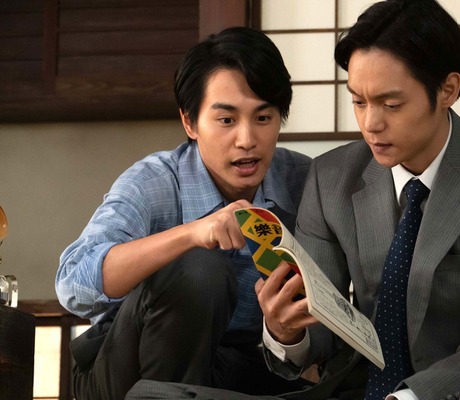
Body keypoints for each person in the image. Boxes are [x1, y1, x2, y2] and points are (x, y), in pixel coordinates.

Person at [126, 0, 460, 399]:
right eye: (358, 101)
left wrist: (409, 398)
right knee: (155, 396)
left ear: (448, 89)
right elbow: (325, 321)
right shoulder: (331, 177)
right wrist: (286, 331)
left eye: (391, 104)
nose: (370, 123)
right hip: (355, 391)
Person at [55, 26, 312, 400]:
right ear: (190, 122)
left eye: (263, 118)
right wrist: (192, 233)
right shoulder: (153, 182)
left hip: (232, 366)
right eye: (226, 120)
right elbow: (73, 285)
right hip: (126, 368)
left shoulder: (304, 182)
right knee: (201, 268)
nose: (247, 140)